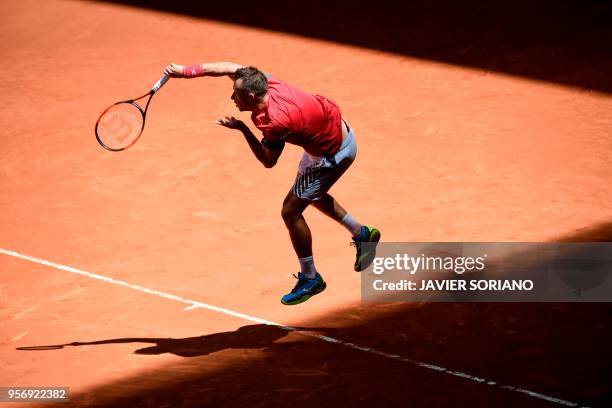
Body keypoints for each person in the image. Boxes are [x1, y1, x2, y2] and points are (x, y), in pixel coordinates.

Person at [164, 62, 381, 305]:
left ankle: (311, 278)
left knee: (291, 210)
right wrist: (186, 72)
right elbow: (227, 66)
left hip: (331, 154)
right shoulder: (268, 82)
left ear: (250, 96)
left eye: (235, 94)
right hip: (335, 131)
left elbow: (268, 161)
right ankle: (362, 233)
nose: (231, 97)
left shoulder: (274, 121)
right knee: (312, 193)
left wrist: (243, 128)